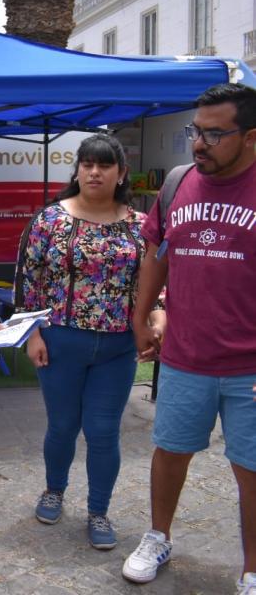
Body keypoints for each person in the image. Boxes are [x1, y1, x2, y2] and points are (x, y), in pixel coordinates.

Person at [123, 83, 256, 594]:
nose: (199, 143)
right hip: (184, 357)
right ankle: (158, 536)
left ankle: (251, 569)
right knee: (171, 451)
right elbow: (155, 255)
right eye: (195, 131)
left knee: (251, 469)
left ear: (250, 137)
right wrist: (143, 314)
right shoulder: (178, 184)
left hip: (249, 367)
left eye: (214, 134)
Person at [15, 133, 165, 550]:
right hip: (60, 341)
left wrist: (157, 318)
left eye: (104, 165)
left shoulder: (140, 226)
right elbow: (28, 282)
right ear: (78, 170)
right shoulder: (49, 220)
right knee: (63, 426)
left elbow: (153, 283)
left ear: (121, 174)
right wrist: (32, 334)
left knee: (103, 431)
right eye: (87, 164)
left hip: (117, 348)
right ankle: (54, 490)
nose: (95, 172)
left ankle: (99, 511)